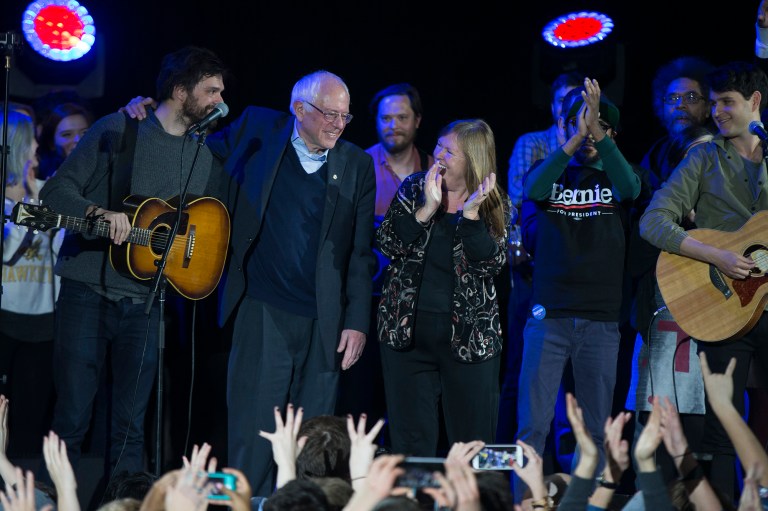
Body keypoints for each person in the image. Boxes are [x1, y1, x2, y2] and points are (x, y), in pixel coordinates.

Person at [122, 69, 377, 498]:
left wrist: (357, 321)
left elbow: (360, 252)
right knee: (256, 434)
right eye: (330, 113)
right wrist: (150, 118)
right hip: (263, 310)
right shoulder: (259, 130)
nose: (338, 123)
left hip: (326, 322)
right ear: (300, 109)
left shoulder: (356, 163)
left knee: (316, 441)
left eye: (345, 116)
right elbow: (194, 148)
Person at [38, 46, 227, 488]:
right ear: (180, 91)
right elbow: (56, 193)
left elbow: (202, 228)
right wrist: (95, 214)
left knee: (130, 427)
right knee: (72, 415)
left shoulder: (204, 156)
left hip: (147, 303)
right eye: (211, 90)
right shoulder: (120, 128)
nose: (220, 100)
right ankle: (48, 498)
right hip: (88, 288)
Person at [639, 59, 768, 502]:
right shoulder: (703, 157)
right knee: (721, 426)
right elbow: (653, 221)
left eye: (726, 103)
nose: (716, 112)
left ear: (755, 102)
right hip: (724, 306)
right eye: (712, 104)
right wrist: (715, 254)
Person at [513, 78, 641, 502]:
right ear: (565, 125)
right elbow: (532, 190)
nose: (589, 131)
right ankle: (527, 501)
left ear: (612, 134)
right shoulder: (548, 174)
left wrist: (597, 135)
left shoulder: (625, 175)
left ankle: (590, 503)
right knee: (533, 424)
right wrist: (575, 139)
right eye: (580, 122)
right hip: (548, 317)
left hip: (601, 321)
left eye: (600, 124)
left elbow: (630, 189)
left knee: (595, 428)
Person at [376, 118, 513, 456]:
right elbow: (387, 243)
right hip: (406, 338)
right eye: (438, 146)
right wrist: (425, 209)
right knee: (410, 445)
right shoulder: (413, 188)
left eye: (448, 151)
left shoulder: (494, 203)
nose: (438, 155)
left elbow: (491, 264)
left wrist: (470, 218)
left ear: (472, 160)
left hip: (469, 342)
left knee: (472, 446)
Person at [497, 71, 583, 467]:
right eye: (564, 100)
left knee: (574, 375)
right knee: (523, 366)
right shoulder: (533, 144)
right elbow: (516, 204)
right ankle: (517, 463)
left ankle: (573, 466)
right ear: (553, 106)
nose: (570, 109)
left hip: (577, 278)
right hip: (532, 271)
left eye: (579, 101)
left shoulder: (595, 148)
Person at [337, 82, 433, 421]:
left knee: (411, 396)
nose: (394, 125)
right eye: (386, 118)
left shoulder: (435, 169)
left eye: (402, 117)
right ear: (376, 121)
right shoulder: (358, 164)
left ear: (417, 120)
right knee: (361, 393)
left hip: (420, 301)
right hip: (370, 298)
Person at [0, 110, 62, 458]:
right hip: (5, 316)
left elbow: (59, 249)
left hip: (43, 321)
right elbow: (8, 251)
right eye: (32, 138)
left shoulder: (49, 191)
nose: (39, 144)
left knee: (30, 418)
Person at [640, 56, 716, 185]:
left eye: (691, 98)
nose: (680, 105)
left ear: (708, 108)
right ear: (661, 106)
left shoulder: (721, 148)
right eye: (672, 98)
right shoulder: (655, 154)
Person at [36, 101, 94, 179]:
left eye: (84, 132)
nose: (78, 139)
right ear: (52, 143)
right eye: (67, 134)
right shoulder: (42, 178)